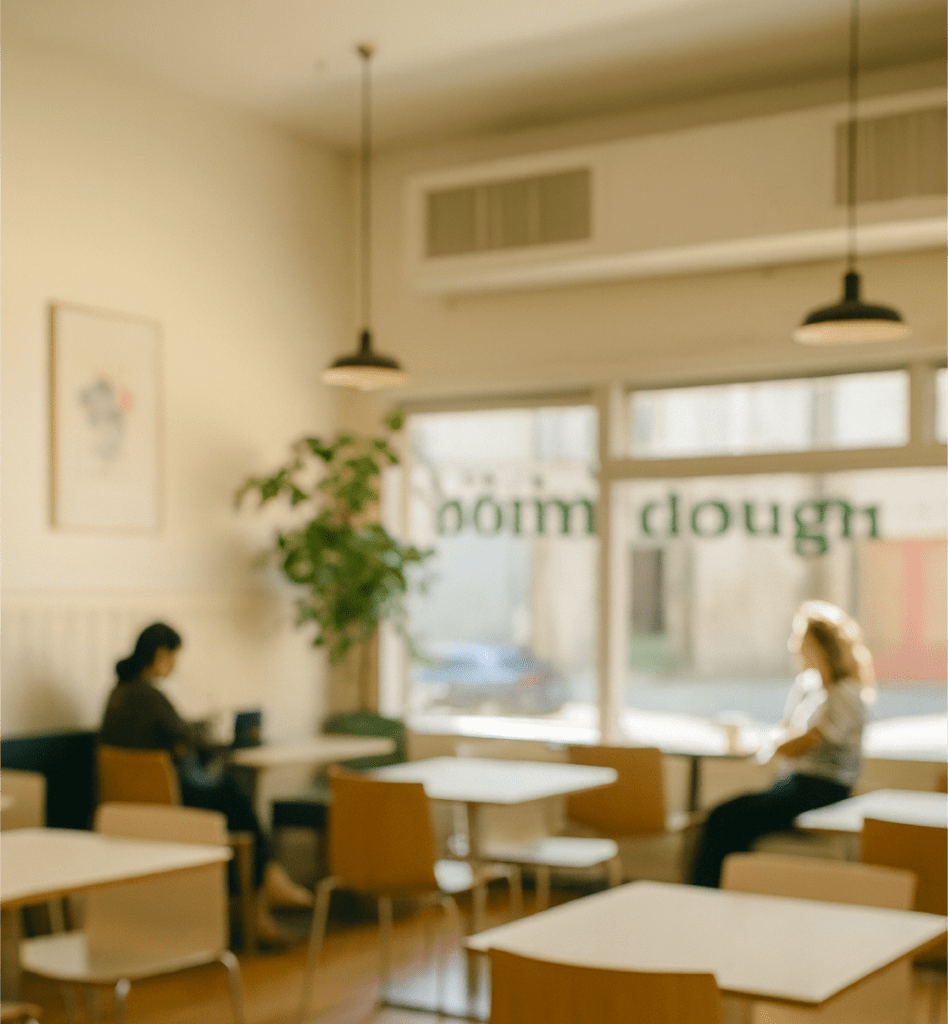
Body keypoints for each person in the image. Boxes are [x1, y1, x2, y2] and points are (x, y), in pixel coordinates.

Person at [99, 622, 312, 946]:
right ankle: (262, 894)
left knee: (231, 796)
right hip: (173, 808)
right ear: (161, 655)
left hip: (124, 810)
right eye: (174, 657)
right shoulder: (150, 696)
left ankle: (263, 887)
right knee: (235, 797)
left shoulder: (117, 695)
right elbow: (191, 739)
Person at [691, 600, 873, 888]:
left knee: (725, 818)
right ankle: (726, 888)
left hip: (823, 791)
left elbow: (802, 742)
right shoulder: (812, 691)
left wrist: (767, 744)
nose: (795, 649)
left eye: (801, 642)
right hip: (796, 785)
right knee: (725, 818)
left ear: (818, 648)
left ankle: (708, 893)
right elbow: (787, 734)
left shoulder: (845, 695)